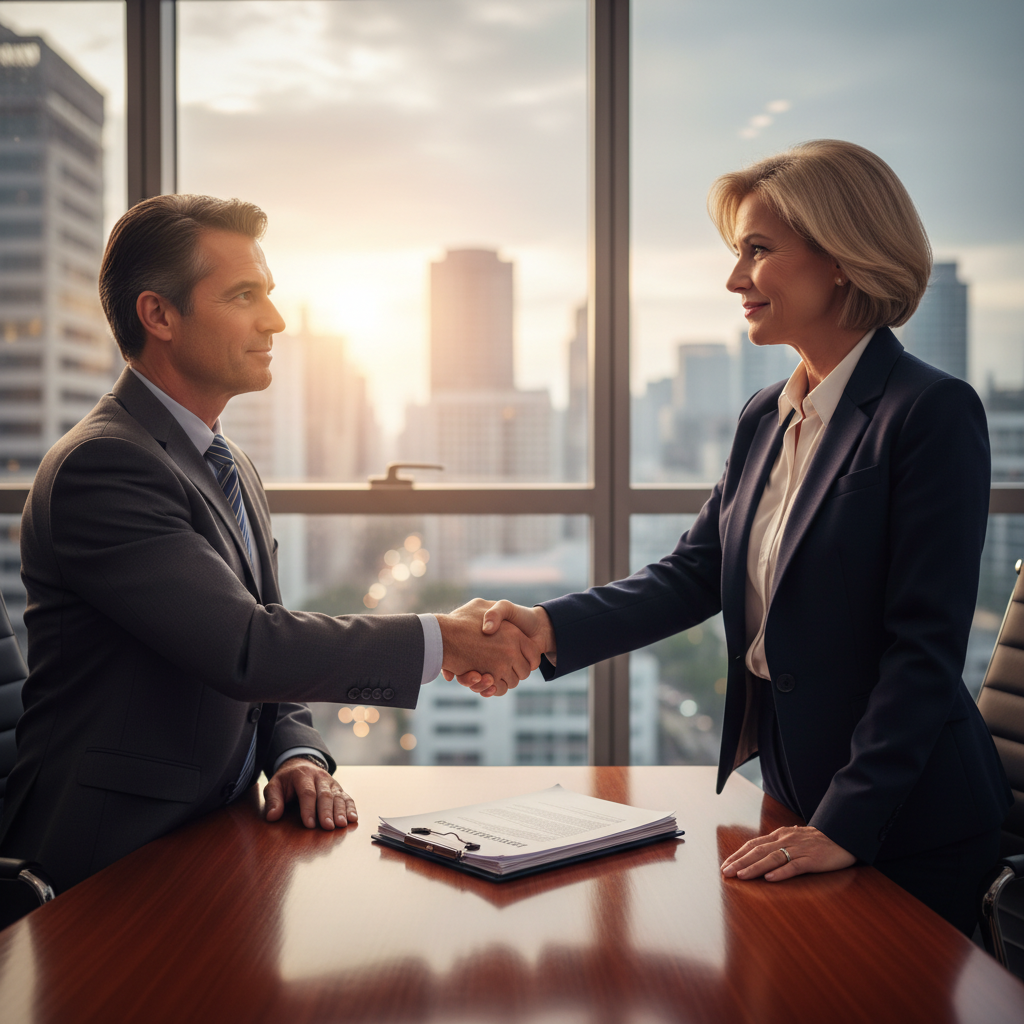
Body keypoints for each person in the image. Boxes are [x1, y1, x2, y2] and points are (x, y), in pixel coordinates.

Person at [457, 140, 1013, 934]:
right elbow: (695, 572)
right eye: (736, 252)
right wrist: (546, 629)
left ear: (843, 259)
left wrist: (843, 826)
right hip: (795, 790)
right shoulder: (767, 412)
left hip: (905, 820)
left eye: (758, 250)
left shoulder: (930, 412)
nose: (734, 279)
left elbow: (921, 649)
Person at [0, 194, 538, 894]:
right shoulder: (105, 467)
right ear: (158, 315)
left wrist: (295, 756)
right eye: (245, 295)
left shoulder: (225, 462)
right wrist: (445, 640)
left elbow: (269, 662)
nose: (275, 320)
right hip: (111, 861)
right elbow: (248, 649)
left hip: (218, 837)